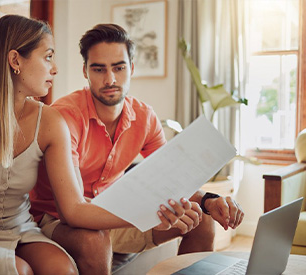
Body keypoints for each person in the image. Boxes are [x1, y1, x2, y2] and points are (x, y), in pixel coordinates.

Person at [0, 16, 200, 275]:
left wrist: (158, 212)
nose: (55, 68)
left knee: (62, 269)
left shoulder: (49, 121)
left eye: (119, 67)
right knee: (18, 270)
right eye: (48, 57)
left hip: (21, 229)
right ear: (16, 61)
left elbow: (74, 208)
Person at [30, 23, 245, 275]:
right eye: (99, 69)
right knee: (93, 239)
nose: (110, 79)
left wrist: (210, 201)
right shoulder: (65, 117)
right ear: (85, 72)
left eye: (118, 68)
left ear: (131, 68)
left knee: (201, 219)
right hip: (56, 217)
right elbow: (73, 212)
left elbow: (173, 178)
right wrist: (146, 214)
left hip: (112, 211)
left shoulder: (145, 117)